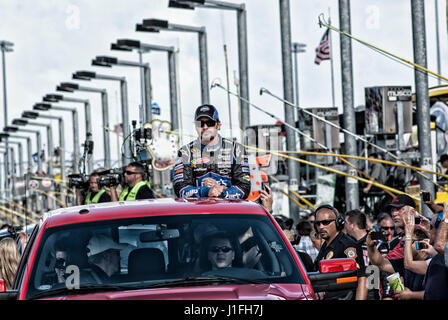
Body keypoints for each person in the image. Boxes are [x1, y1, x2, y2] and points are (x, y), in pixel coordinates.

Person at [173, 104, 251, 200]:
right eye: (200, 123)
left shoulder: (237, 150)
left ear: (218, 125)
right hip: (198, 211)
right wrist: (206, 191)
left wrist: (220, 191)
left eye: (210, 123)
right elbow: (180, 188)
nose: (205, 127)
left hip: (229, 211)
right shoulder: (185, 152)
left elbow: (244, 188)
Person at [313, 205, 367, 300]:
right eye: (318, 223)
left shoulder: (348, 246)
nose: (321, 227)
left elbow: (361, 278)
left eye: (326, 222)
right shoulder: (325, 246)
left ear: (338, 223)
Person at [423, 202, 448, 300]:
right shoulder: (437, 258)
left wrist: (445, 219)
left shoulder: (443, 253)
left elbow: (439, 245)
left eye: (431, 227)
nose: (428, 231)